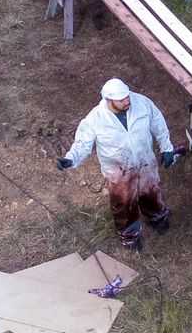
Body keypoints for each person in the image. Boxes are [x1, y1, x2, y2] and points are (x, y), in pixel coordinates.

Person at [57, 78, 180, 249]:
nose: (127, 101)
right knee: (123, 203)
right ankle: (130, 236)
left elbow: (158, 123)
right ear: (108, 100)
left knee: (151, 191)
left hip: (145, 161)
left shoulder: (142, 103)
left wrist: (167, 148)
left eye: (127, 97)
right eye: (121, 100)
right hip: (118, 169)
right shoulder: (95, 119)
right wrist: (71, 159)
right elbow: (82, 143)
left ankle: (157, 218)